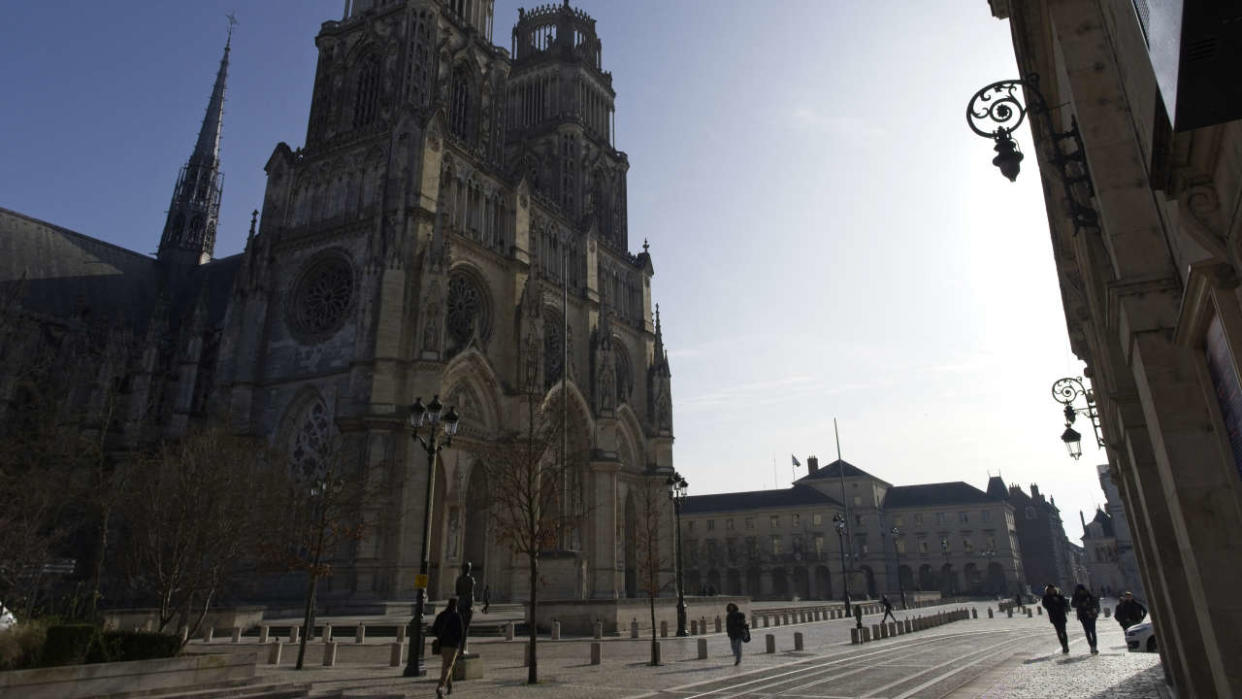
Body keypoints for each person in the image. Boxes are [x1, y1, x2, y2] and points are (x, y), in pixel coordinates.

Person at [431, 597, 465, 698]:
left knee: (447, 664)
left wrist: (441, 637)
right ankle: (440, 687)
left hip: (443, 645)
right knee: (448, 666)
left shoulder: (441, 615)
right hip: (453, 645)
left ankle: (450, 687)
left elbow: (434, 630)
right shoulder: (457, 616)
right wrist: (458, 643)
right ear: (456, 605)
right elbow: (461, 632)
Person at [1041, 584, 1070, 654]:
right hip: (1054, 617)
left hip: (1061, 616)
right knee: (1059, 632)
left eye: (1052, 589)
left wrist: (1058, 602)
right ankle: (1063, 646)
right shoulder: (1046, 598)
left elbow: (1065, 604)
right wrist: (1052, 602)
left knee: (1063, 631)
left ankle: (1066, 645)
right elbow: (1045, 605)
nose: (1051, 591)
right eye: (1050, 590)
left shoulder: (1059, 596)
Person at [1071, 584, 1100, 654]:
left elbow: (1095, 602)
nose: (1080, 592)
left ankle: (1094, 646)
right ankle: (1091, 646)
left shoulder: (1088, 595)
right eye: (1079, 591)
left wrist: (1093, 608)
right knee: (1087, 631)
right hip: (1082, 615)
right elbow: (1073, 604)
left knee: (1093, 631)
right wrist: (1080, 603)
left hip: (1091, 615)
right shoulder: (1076, 596)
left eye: (1081, 590)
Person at [454, 562, 476, 652]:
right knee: (465, 628)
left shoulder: (458, 579)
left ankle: (459, 647)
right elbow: (471, 593)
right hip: (467, 604)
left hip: (460, 603)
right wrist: (471, 606)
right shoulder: (471, 579)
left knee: (460, 626)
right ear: (469, 569)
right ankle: (462, 649)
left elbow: (457, 593)